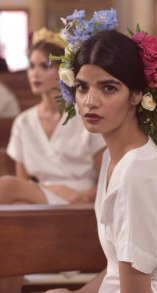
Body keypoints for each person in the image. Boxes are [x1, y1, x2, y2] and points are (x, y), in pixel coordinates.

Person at [44, 8, 157, 293]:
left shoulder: (135, 176)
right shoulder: (113, 155)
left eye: (108, 88)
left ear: (137, 94)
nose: (90, 102)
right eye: (82, 87)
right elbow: (117, 268)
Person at [0, 27, 106, 204]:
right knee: (9, 190)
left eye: (44, 66)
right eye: (31, 66)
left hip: (83, 201)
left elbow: (105, 181)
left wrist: (80, 197)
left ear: (63, 70)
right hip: (40, 199)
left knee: (5, 186)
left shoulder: (86, 117)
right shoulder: (23, 122)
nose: (35, 73)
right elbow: (23, 182)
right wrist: (54, 189)